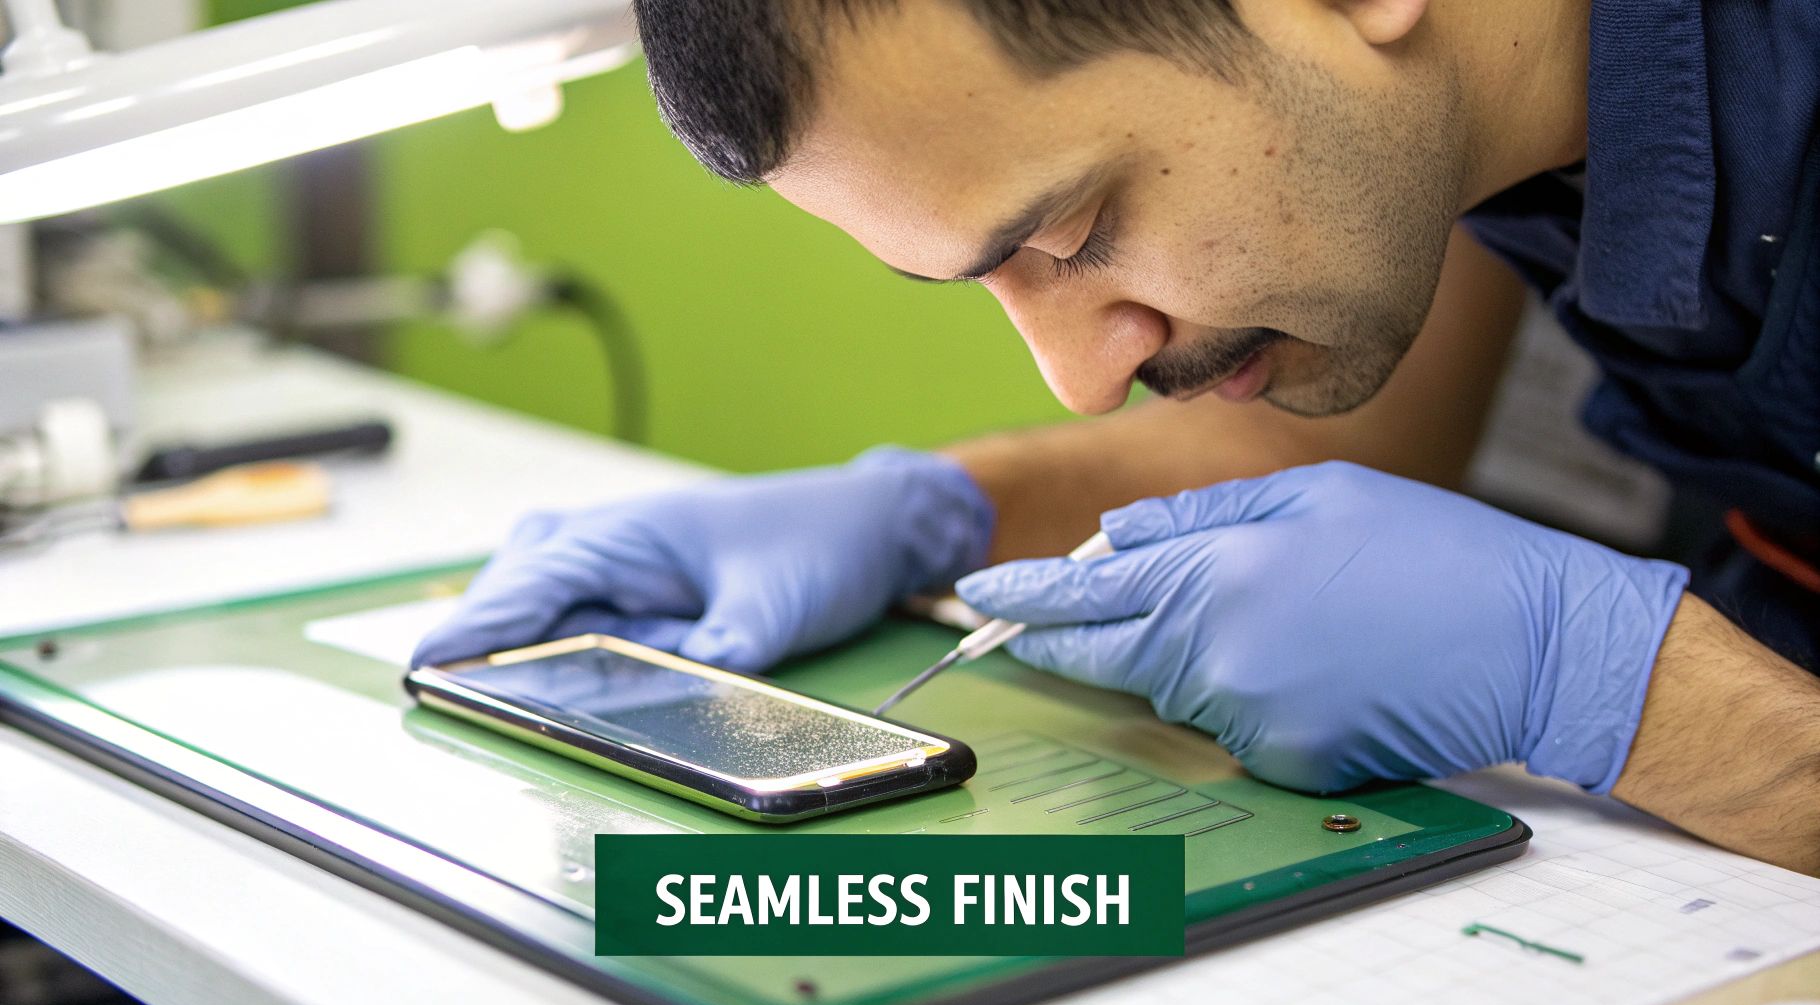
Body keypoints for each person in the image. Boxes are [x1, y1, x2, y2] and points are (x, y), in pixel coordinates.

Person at [414, 0, 1820, 873]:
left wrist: (1611, 683)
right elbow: (1298, 464)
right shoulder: (1440, 104)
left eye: (1079, 233)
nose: (1083, 381)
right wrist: (938, 510)